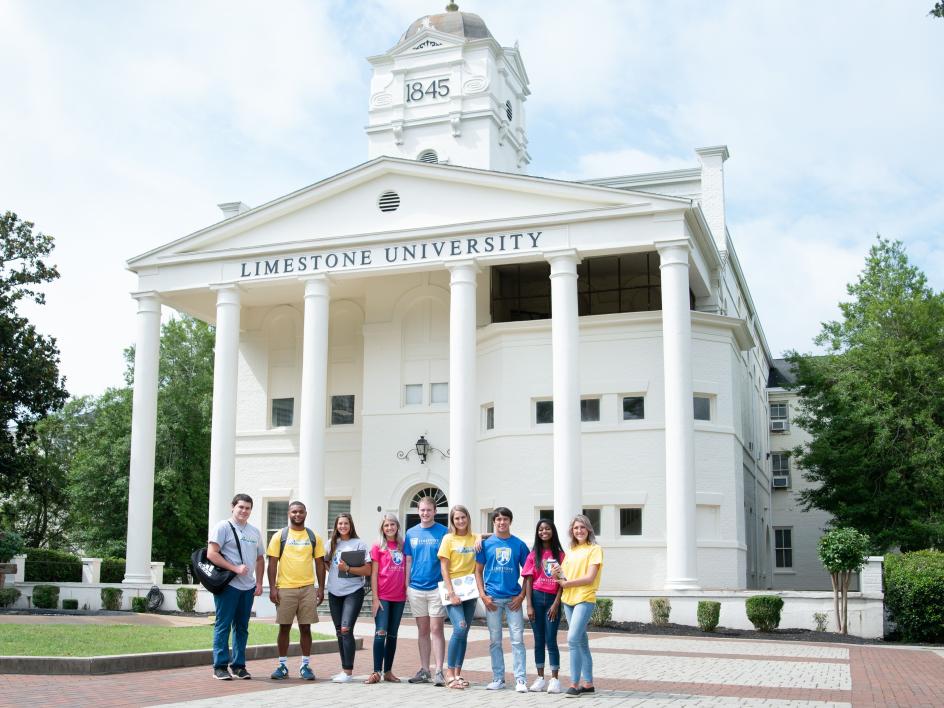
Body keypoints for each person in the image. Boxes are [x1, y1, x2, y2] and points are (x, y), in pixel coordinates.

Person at [265, 500, 326, 681]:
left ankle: (305, 666)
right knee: (284, 628)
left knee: (305, 628)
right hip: (284, 588)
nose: (297, 515)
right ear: (288, 514)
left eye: (300, 512)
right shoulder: (279, 536)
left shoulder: (314, 537)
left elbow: (320, 565)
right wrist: (272, 588)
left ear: (305, 514)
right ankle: (282, 666)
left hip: (307, 588)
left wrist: (321, 588)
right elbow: (272, 564)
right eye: (294, 512)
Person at [206, 493, 265, 680]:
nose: (244, 511)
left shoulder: (254, 531)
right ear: (233, 507)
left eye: (248, 508)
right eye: (241, 507)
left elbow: (260, 558)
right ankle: (220, 666)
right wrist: (235, 568)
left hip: (247, 587)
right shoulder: (223, 527)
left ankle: (239, 666)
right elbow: (211, 553)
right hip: (229, 586)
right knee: (223, 626)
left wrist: (259, 582)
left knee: (242, 627)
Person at [474, 506, 530, 693]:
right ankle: (498, 678)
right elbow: (478, 571)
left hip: (513, 599)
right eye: (498, 519)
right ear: (494, 522)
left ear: (510, 522)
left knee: (517, 640)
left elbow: (529, 573)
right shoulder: (485, 544)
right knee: (495, 641)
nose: (502, 522)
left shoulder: (519, 545)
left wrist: (522, 596)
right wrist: (483, 595)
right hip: (493, 600)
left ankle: (520, 679)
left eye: (505, 519)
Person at [553, 514, 604, 698]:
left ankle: (574, 684)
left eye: (582, 527)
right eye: (576, 528)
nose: (579, 531)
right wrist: (556, 575)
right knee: (582, 642)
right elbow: (564, 578)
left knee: (573, 639)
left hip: (584, 598)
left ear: (588, 529)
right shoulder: (571, 551)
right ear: (571, 531)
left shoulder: (595, 549)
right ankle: (588, 684)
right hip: (568, 599)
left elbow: (590, 578)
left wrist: (567, 583)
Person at [403, 495, 448, 686]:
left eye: (428, 510)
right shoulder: (411, 533)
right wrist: (406, 586)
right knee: (422, 630)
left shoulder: (444, 532)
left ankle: (439, 670)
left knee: (436, 629)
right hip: (416, 588)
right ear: (418, 511)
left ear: (435, 512)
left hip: (437, 587)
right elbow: (408, 561)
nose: (425, 513)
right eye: (422, 510)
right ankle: (424, 670)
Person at [325, 512, 371, 683]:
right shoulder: (331, 544)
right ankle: (344, 670)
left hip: (353, 591)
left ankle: (348, 672)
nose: (343, 526)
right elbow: (326, 562)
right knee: (339, 631)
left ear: (351, 525)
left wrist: (348, 569)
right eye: (340, 523)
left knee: (346, 629)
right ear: (336, 526)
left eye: (346, 523)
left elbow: (368, 570)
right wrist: (336, 572)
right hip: (334, 592)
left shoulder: (359, 544)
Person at [437, 504, 479, 689]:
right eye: (456, 518)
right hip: (452, 589)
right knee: (459, 628)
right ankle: (449, 673)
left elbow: (488, 536)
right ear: (452, 521)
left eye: (463, 517)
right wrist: (451, 593)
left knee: (465, 633)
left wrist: (479, 537)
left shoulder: (474, 538)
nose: (460, 521)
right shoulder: (448, 539)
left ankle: (458, 674)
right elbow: (444, 568)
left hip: (470, 591)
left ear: (468, 518)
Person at [522, 518, 565, 693]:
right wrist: (529, 605)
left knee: (551, 639)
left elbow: (563, 582)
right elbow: (529, 581)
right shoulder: (534, 555)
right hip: (537, 599)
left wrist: (556, 604)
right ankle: (540, 678)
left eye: (547, 529)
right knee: (538, 640)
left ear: (552, 531)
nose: (544, 532)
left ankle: (555, 679)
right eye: (540, 529)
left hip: (553, 600)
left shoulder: (561, 555)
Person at [366, 512, 407, 684]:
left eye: (392, 524)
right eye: (386, 525)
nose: (389, 528)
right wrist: (375, 598)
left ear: (397, 526)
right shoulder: (378, 547)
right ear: (382, 529)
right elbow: (374, 573)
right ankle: (376, 671)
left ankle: (388, 671)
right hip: (383, 596)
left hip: (399, 597)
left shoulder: (403, 546)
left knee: (392, 635)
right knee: (380, 633)